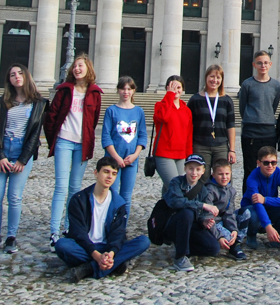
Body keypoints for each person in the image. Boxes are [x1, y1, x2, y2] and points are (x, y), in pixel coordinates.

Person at [54, 156, 151, 281]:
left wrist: (111, 253)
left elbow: (118, 234)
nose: (110, 177)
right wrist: (97, 256)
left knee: (143, 241)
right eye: (106, 172)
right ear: (96, 173)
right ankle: (114, 264)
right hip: (85, 247)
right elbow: (78, 233)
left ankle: (89, 268)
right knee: (62, 245)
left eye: (114, 174)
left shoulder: (119, 203)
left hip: (107, 247)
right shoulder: (79, 199)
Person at [43, 54, 103, 252]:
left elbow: (93, 121)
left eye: (81, 66)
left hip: (82, 144)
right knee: (61, 186)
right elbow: (51, 116)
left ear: (88, 69)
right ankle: (54, 231)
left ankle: (69, 227)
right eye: (75, 66)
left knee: (75, 188)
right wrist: (54, 139)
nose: (77, 69)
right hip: (64, 141)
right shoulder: (64, 90)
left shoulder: (95, 93)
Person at [0, 63, 47, 254]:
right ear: (9, 80)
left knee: (14, 197)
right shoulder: (3, 101)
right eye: (12, 74)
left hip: (21, 152)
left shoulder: (38, 103)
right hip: (3, 150)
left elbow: (35, 135)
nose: (17, 76)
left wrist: (22, 159)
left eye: (20, 73)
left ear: (26, 76)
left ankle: (11, 237)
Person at [164, 155, 245, 271]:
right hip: (173, 224)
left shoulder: (203, 189)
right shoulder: (176, 182)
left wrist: (204, 221)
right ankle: (181, 256)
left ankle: (183, 244)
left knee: (213, 248)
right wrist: (202, 205)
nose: (194, 173)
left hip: (192, 226)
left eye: (198, 169)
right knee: (187, 213)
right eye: (191, 168)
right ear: (185, 169)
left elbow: (203, 215)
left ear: (203, 171)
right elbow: (176, 202)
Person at [101, 76, 147, 218]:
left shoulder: (139, 111)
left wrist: (135, 155)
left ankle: (121, 226)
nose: (126, 92)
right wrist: (116, 157)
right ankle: (109, 225)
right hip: (113, 160)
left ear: (133, 91)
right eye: (123, 89)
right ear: (118, 90)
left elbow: (142, 136)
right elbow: (106, 137)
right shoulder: (111, 110)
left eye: (129, 89)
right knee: (112, 194)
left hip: (131, 161)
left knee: (126, 197)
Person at [237, 51, 280, 184]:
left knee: (269, 168)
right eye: (260, 63)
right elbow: (242, 106)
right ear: (254, 65)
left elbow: (274, 105)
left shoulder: (276, 85)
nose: (263, 65)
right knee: (249, 169)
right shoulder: (247, 84)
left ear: (270, 64)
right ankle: (249, 195)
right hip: (250, 132)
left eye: (266, 63)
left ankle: (267, 195)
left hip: (269, 132)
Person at [187, 64, 237, 182]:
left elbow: (230, 125)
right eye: (212, 76)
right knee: (200, 178)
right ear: (206, 77)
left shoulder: (226, 100)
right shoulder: (195, 100)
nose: (215, 80)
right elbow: (188, 125)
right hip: (200, 145)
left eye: (218, 77)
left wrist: (232, 149)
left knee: (223, 178)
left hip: (221, 146)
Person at [241, 146, 280, 250]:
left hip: (270, 207)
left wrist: (265, 200)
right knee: (252, 214)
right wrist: (268, 225)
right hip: (252, 208)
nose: (270, 166)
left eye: (273, 163)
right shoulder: (252, 178)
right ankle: (251, 234)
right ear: (258, 163)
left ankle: (275, 234)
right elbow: (257, 203)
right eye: (266, 163)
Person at [153, 75, 193, 194]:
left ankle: (164, 206)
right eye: (172, 87)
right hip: (164, 153)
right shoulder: (160, 106)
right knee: (175, 188)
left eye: (178, 87)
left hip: (181, 155)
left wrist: (189, 157)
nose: (176, 90)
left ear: (183, 89)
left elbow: (188, 135)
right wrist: (169, 95)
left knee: (171, 190)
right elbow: (163, 117)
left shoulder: (186, 110)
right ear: (167, 88)